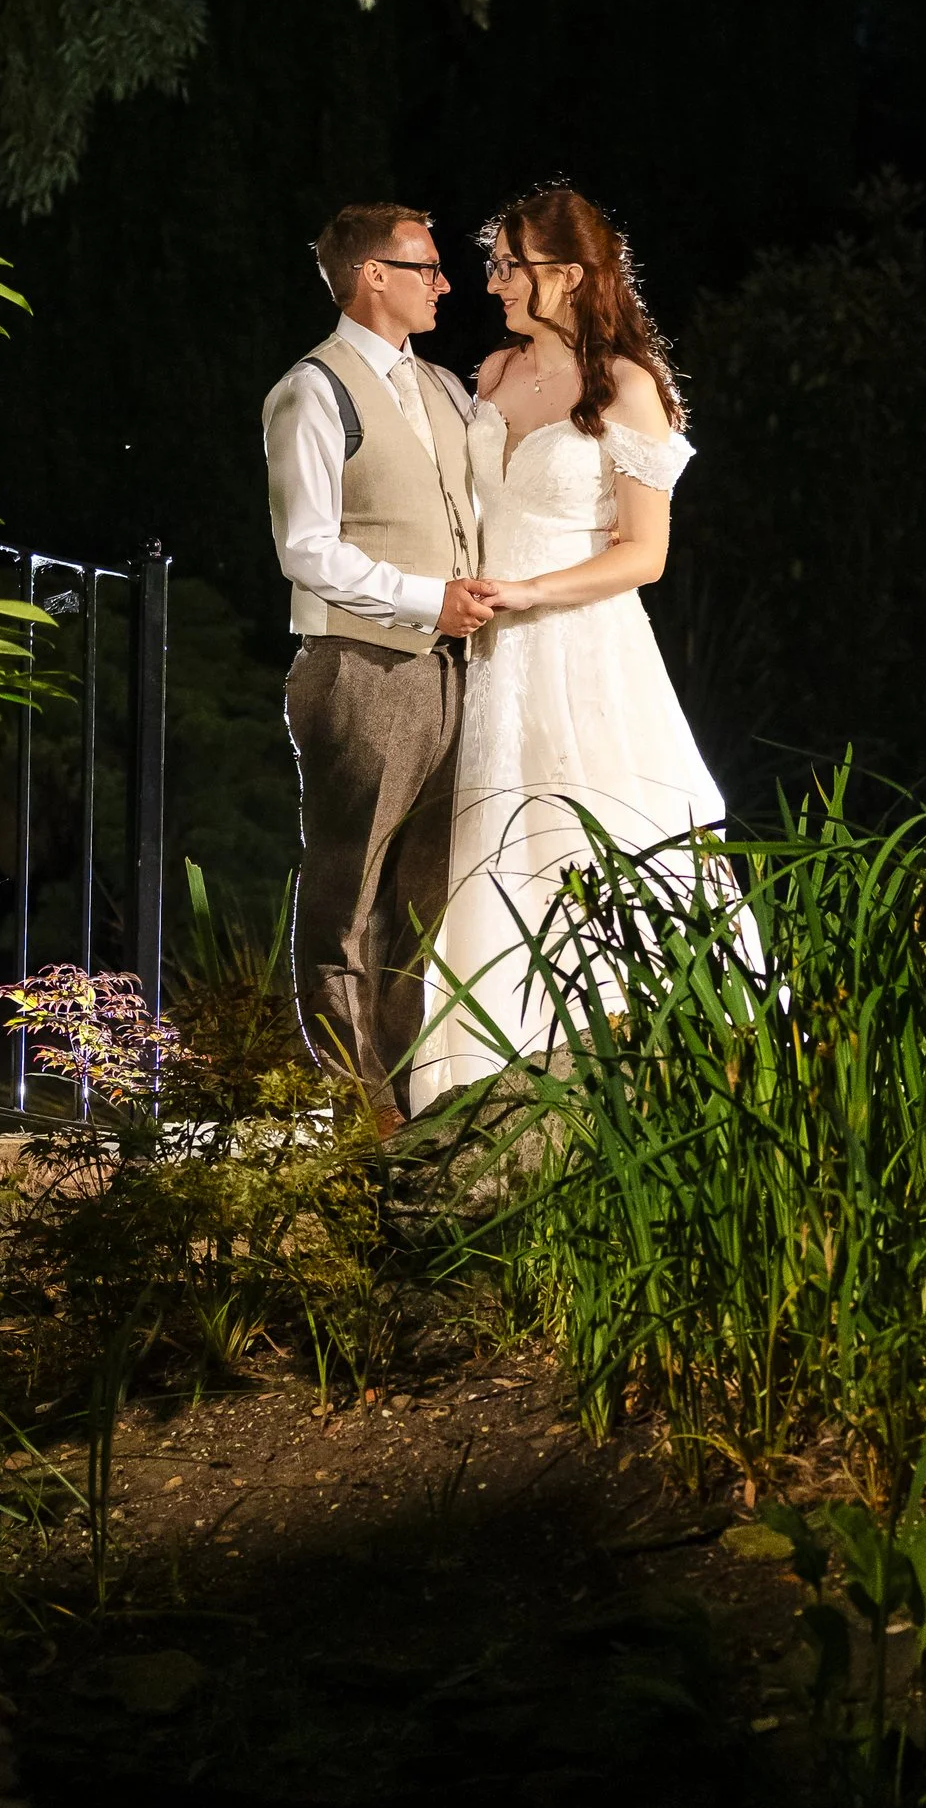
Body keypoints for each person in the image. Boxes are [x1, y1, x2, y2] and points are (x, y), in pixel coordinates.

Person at [413, 185, 728, 1104]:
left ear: (570, 274)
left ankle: (627, 1081)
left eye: (511, 266)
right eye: (496, 264)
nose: (494, 282)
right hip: (486, 649)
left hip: (579, 644)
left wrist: (528, 591)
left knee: (579, 838)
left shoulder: (627, 387)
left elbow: (646, 554)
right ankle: (473, 1087)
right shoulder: (493, 374)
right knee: (487, 847)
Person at [263, 205, 498, 1129]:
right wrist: (422, 598)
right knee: (347, 893)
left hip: (456, 672)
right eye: (427, 267)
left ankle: (406, 1096)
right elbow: (306, 548)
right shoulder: (312, 391)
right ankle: (349, 1111)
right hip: (362, 668)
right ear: (371, 275)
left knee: (425, 900)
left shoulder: (443, 385)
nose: (444, 282)